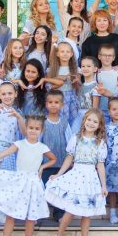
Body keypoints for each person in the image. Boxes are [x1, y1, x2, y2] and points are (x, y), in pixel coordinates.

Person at [0, 115, 57, 236]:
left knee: (31, 216)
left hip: (33, 183)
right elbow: (3, 154)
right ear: (25, 128)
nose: (33, 131)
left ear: (41, 130)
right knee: (11, 214)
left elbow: (53, 159)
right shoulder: (19, 144)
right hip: (19, 182)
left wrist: (42, 167)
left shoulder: (42, 147)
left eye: (36, 129)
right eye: (30, 128)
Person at [44, 109, 108, 236]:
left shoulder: (100, 143)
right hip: (76, 176)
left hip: (91, 179)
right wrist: (59, 174)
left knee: (87, 213)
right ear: (84, 120)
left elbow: (100, 165)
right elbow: (69, 158)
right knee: (70, 211)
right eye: (89, 120)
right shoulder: (76, 138)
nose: (91, 123)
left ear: (99, 125)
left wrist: (103, 185)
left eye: (95, 121)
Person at [41, 89, 74, 222]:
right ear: (46, 104)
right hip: (46, 163)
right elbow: (38, 142)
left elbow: (70, 141)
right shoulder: (42, 122)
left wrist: (72, 160)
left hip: (62, 163)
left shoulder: (64, 122)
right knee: (44, 187)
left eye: (56, 102)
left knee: (61, 189)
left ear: (62, 105)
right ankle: (40, 213)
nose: (53, 105)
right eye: (50, 102)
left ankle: (59, 214)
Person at [47, 41, 79, 126]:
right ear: (57, 54)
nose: (65, 54)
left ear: (71, 54)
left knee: (72, 121)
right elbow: (48, 86)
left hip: (71, 98)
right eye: (62, 51)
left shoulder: (75, 69)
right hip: (57, 98)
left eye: (68, 52)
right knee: (59, 120)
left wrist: (77, 82)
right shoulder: (52, 69)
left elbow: (78, 88)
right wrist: (59, 80)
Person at [72, 56, 100, 132]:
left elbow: (95, 108)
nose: (85, 68)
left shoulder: (95, 87)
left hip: (89, 117)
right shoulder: (81, 86)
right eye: (83, 66)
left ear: (95, 69)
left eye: (88, 66)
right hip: (78, 116)